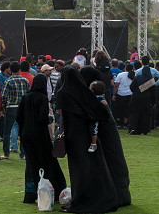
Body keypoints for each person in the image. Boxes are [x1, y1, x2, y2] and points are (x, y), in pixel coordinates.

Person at [56, 65, 130, 213]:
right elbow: (100, 115)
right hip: (95, 138)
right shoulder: (85, 95)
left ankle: (85, 197)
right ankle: (115, 195)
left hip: (80, 139)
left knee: (82, 171)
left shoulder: (66, 93)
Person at [16, 74, 66, 204]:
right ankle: (50, 190)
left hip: (26, 134)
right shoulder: (43, 98)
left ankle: (30, 193)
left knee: (31, 163)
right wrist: (50, 119)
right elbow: (42, 117)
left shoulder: (25, 97)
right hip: (39, 135)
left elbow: (18, 117)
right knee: (46, 161)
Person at [1, 61, 29, 160]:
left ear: (10, 69)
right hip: (23, 108)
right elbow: (28, 95)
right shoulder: (25, 81)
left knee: (7, 130)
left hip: (11, 107)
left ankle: (6, 154)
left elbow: (3, 97)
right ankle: (23, 154)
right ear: (19, 69)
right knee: (23, 131)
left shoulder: (8, 81)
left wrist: (2, 108)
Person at [128, 61, 155, 135]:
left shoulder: (137, 77)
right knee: (145, 115)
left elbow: (132, 87)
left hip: (136, 97)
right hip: (146, 99)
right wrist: (153, 102)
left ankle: (133, 128)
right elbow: (153, 92)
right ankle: (143, 131)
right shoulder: (151, 80)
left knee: (134, 113)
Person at [88, 81, 109, 153]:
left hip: (95, 117)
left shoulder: (98, 97)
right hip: (91, 116)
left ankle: (93, 143)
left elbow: (104, 103)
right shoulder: (93, 97)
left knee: (93, 129)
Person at [112, 64, 134, 128]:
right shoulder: (133, 75)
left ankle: (118, 123)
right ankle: (125, 123)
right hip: (129, 94)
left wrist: (114, 94)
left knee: (119, 108)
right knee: (127, 109)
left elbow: (116, 85)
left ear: (125, 68)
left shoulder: (121, 75)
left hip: (121, 94)